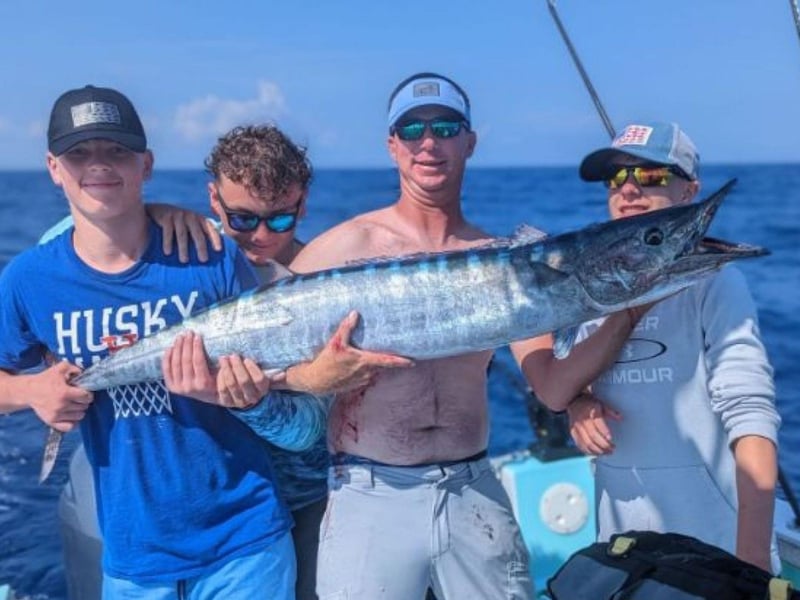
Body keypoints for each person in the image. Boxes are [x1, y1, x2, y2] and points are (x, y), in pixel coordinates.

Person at [0, 85, 299, 598]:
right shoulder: (28, 280)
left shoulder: (210, 254)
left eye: (117, 150)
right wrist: (33, 393)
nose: (98, 165)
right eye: (79, 153)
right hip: (135, 560)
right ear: (53, 167)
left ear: (147, 164)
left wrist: (246, 392)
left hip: (246, 543)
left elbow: (283, 380)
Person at [288, 72, 534, 600]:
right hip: (369, 494)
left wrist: (633, 305)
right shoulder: (343, 247)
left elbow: (553, 385)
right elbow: (261, 350)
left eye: (445, 127)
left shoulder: (502, 260)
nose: (429, 142)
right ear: (392, 144)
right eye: (412, 129)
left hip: (473, 490)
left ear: (470, 141)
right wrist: (312, 377)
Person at [530, 122, 781, 573]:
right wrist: (578, 403)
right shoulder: (586, 283)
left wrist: (754, 561)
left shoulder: (717, 281)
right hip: (620, 550)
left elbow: (751, 414)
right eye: (617, 179)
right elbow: (563, 380)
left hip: (717, 550)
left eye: (651, 177)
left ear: (690, 193)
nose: (628, 190)